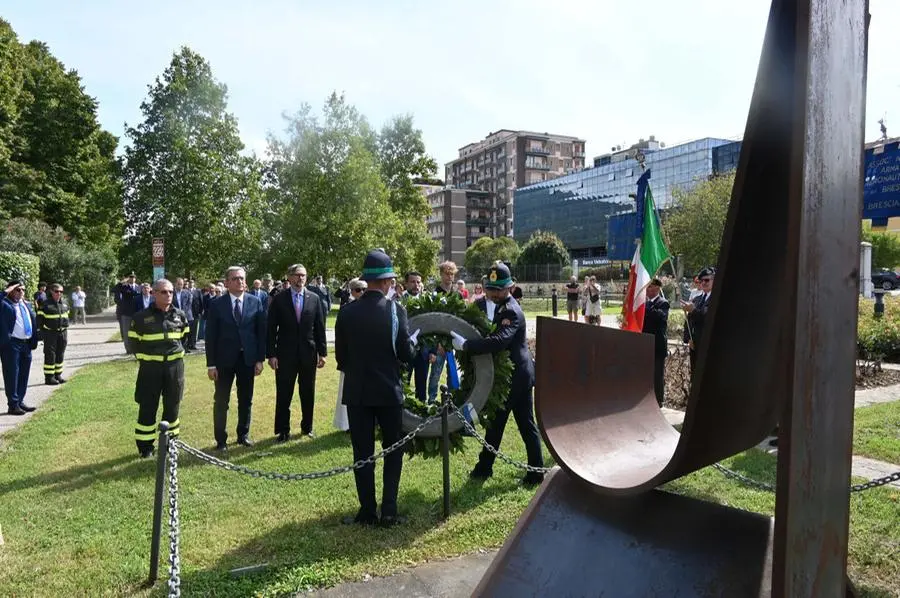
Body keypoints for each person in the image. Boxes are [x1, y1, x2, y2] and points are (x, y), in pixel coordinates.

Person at [335, 249, 419, 526]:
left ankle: (368, 511)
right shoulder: (396, 311)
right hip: (388, 391)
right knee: (393, 450)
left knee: (362, 453)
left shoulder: (346, 313)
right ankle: (390, 510)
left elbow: (342, 358)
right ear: (385, 282)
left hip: (358, 392)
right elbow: (406, 354)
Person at [450, 261, 545, 486]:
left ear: (509, 288)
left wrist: (467, 346)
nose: (492, 293)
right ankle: (535, 470)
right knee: (524, 423)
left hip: (516, 376)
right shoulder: (504, 306)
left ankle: (485, 468)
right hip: (519, 374)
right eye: (490, 288)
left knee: (499, 421)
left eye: (497, 289)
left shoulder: (510, 311)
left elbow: (500, 341)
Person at [205, 266, 267, 450]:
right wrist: (211, 364)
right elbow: (210, 336)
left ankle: (243, 434)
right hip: (224, 361)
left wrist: (259, 359)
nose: (240, 281)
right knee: (222, 401)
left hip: (247, 359)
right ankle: (221, 440)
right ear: (227, 283)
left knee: (246, 399)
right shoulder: (217, 304)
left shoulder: (255, 302)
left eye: (242, 278)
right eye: (236, 278)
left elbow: (260, 333)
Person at [129, 279, 189, 458]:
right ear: (153, 293)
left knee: (172, 406)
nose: (168, 295)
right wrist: (147, 360)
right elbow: (134, 343)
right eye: (163, 292)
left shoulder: (180, 315)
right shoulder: (140, 317)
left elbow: (184, 338)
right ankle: (146, 447)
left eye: (170, 292)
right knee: (148, 406)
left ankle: (171, 443)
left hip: (174, 368)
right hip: (150, 370)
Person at [267, 263, 327, 441]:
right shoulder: (280, 299)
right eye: (297, 275)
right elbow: (270, 329)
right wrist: (271, 354)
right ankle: (283, 430)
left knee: (308, 391)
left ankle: (307, 427)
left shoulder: (314, 298)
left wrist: (322, 353)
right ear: (289, 277)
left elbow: (320, 328)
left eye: (303, 275)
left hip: (308, 353)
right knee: (284, 393)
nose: (301, 278)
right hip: (285, 354)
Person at [0, 281, 38, 415]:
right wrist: (4, 292)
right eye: (18, 290)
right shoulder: (5, 304)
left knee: (23, 374)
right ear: (10, 291)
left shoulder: (26, 304)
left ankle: (20, 401)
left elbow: (33, 320)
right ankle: (13, 404)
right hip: (11, 344)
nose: (21, 292)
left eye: (23, 289)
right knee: (12, 375)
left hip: (26, 344)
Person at [334, 278, 366, 432]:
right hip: (350, 360)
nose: (362, 292)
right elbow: (339, 339)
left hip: (367, 361)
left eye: (364, 289)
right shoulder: (346, 310)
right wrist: (342, 361)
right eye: (359, 289)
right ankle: (346, 424)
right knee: (346, 392)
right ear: (352, 292)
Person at [642, 278, 670, 407]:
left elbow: (660, 316)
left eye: (650, 287)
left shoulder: (663, 303)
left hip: (657, 345)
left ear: (658, 288)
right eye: (647, 287)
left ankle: (658, 401)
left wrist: (643, 309)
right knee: (646, 374)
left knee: (657, 375)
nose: (647, 290)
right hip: (646, 344)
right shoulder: (646, 304)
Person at [682, 267, 714, 371]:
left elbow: (707, 317)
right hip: (694, 345)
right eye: (701, 281)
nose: (703, 283)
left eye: (707, 280)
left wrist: (693, 310)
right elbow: (689, 320)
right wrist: (688, 338)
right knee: (694, 375)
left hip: (708, 345)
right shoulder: (697, 299)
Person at [37, 283, 70, 385]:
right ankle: (49, 378)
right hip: (50, 333)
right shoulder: (45, 304)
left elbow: (67, 315)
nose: (59, 293)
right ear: (51, 291)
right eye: (56, 291)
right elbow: (39, 321)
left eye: (61, 291)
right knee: (50, 355)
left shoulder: (65, 303)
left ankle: (58, 375)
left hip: (63, 333)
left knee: (60, 354)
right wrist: (42, 334)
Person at [114, 273, 139, 354]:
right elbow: (114, 289)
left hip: (137, 312)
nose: (132, 279)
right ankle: (128, 350)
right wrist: (122, 282)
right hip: (126, 312)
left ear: (135, 278)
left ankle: (137, 349)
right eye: (130, 277)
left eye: (133, 277)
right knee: (126, 332)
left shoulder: (139, 287)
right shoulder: (124, 286)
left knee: (137, 331)